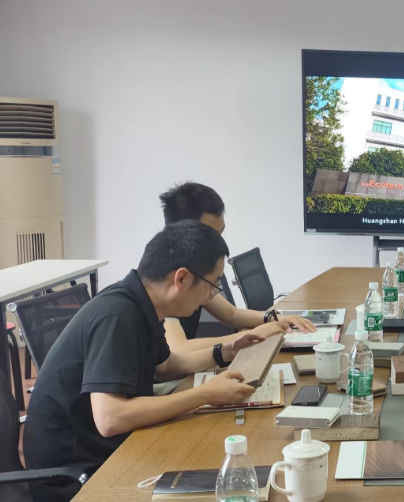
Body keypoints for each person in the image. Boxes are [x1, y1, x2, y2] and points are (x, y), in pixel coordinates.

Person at [23, 221, 264, 501]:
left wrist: (225, 352)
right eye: (213, 285)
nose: (211, 295)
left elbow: (163, 367)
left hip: (103, 450)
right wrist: (205, 394)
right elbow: (110, 418)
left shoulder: (139, 302)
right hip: (74, 478)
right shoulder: (118, 315)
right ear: (182, 279)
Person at [158, 181, 314, 353]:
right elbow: (178, 349)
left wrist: (275, 318)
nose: (220, 243)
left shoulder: (197, 270)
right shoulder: (166, 277)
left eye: (221, 233)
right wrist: (253, 334)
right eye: (212, 235)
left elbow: (231, 314)